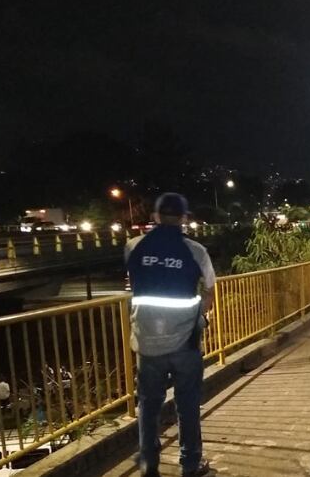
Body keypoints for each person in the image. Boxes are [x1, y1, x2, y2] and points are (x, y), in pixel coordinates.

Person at [126, 192, 215, 477]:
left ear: (155, 217)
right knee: (187, 404)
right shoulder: (196, 251)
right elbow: (210, 289)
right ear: (184, 219)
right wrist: (202, 315)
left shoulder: (133, 246)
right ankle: (190, 465)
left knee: (148, 407)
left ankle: (149, 466)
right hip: (185, 342)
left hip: (147, 342)